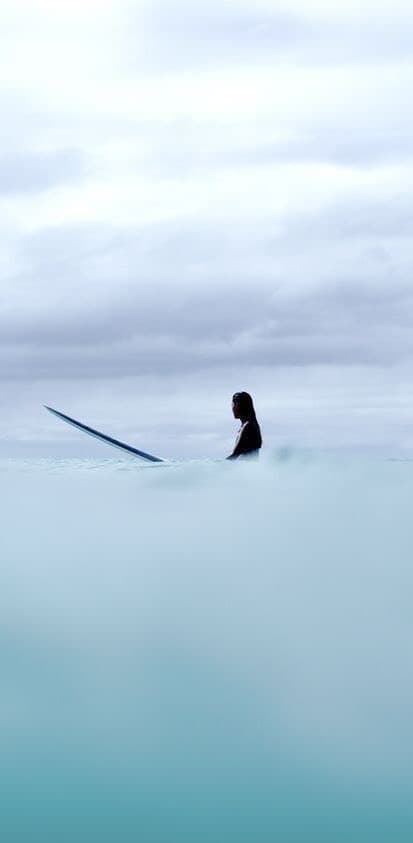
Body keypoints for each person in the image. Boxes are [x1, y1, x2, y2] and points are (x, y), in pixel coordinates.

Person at [227, 392, 262, 459]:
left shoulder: (249, 427)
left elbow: (236, 456)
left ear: (242, 406)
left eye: (234, 404)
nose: (233, 408)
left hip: (246, 468)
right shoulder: (248, 425)